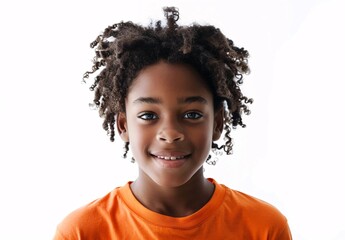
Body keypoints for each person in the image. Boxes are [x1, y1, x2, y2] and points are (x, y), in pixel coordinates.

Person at [54, 7, 292, 240]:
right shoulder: (81, 232)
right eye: (148, 116)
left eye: (192, 115)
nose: (170, 134)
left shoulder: (263, 227)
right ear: (123, 125)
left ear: (218, 124)